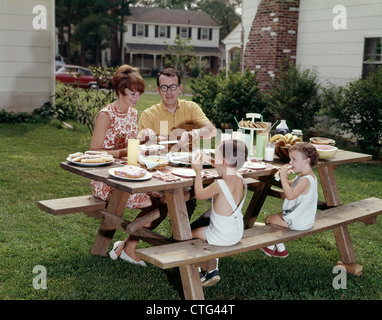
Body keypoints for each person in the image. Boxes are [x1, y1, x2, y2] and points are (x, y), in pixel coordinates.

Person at [90, 64, 165, 266]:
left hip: (128, 173)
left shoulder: (132, 113)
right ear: (120, 90)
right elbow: (93, 151)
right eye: (132, 93)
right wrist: (126, 152)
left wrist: (146, 143)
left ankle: (127, 246)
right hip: (106, 180)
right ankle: (129, 247)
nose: (136, 98)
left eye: (139, 94)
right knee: (156, 205)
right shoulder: (106, 115)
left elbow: (133, 145)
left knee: (164, 199)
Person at [191, 139, 248, 286]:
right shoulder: (240, 179)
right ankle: (212, 271)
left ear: (223, 161)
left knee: (189, 234)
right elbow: (222, 163)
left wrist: (198, 172)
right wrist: (206, 158)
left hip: (221, 235)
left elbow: (199, 194)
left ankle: (198, 270)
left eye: (214, 157)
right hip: (236, 232)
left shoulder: (219, 184)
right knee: (204, 229)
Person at [261, 142, 319, 258]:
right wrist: (284, 177)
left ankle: (275, 247)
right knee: (278, 216)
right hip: (304, 219)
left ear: (307, 160)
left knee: (269, 219)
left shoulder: (305, 181)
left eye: (294, 159)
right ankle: (278, 249)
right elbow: (288, 186)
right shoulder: (306, 177)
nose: (290, 162)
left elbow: (290, 195)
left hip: (300, 223)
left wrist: (283, 177)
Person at [138, 67, 216, 147]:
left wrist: (194, 133)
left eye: (173, 87)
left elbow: (212, 130)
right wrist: (147, 138)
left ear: (179, 88)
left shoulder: (191, 107)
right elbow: (140, 144)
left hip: (190, 157)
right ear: (158, 90)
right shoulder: (148, 115)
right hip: (160, 158)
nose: (169, 92)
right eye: (164, 87)